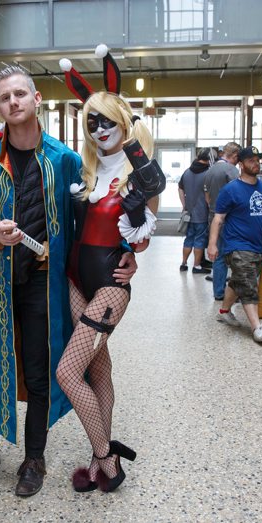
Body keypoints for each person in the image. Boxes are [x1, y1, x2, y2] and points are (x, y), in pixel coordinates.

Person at [0, 65, 137, 498]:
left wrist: (127, 255)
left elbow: (94, 221)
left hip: (47, 286)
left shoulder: (66, 160)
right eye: (5, 97)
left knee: (40, 368)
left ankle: (34, 458)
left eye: (19, 95)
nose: (13, 103)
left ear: (36, 99)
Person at [56, 45, 162, 493]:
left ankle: (106, 459)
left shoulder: (142, 173)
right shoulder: (85, 168)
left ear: (124, 122)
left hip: (110, 286)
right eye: (91, 121)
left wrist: (135, 240)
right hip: (74, 276)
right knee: (98, 370)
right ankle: (100, 457)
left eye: (106, 120)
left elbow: (141, 238)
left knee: (68, 372)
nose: (99, 129)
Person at [208, 146, 262, 342]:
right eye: (251, 160)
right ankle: (257, 328)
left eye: (258, 160)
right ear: (240, 164)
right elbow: (218, 219)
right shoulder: (230, 190)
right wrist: (212, 244)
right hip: (236, 245)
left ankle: (224, 311)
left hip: (257, 245)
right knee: (249, 285)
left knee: (238, 280)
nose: (256, 163)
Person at [204, 142, 241, 299]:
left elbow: (206, 196)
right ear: (234, 156)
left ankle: (218, 292)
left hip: (213, 215)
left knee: (217, 255)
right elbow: (239, 193)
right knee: (235, 255)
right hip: (229, 218)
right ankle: (235, 293)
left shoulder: (210, 169)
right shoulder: (231, 170)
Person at [178, 148, 215, 274]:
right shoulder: (208, 173)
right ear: (208, 159)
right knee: (199, 240)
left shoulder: (187, 172)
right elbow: (207, 195)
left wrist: (184, 205)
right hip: (202, 214)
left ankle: (183, 264)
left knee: (189, 238)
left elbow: (180, 189)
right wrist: (211, 207)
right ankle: (197, 266)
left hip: (189, 213)